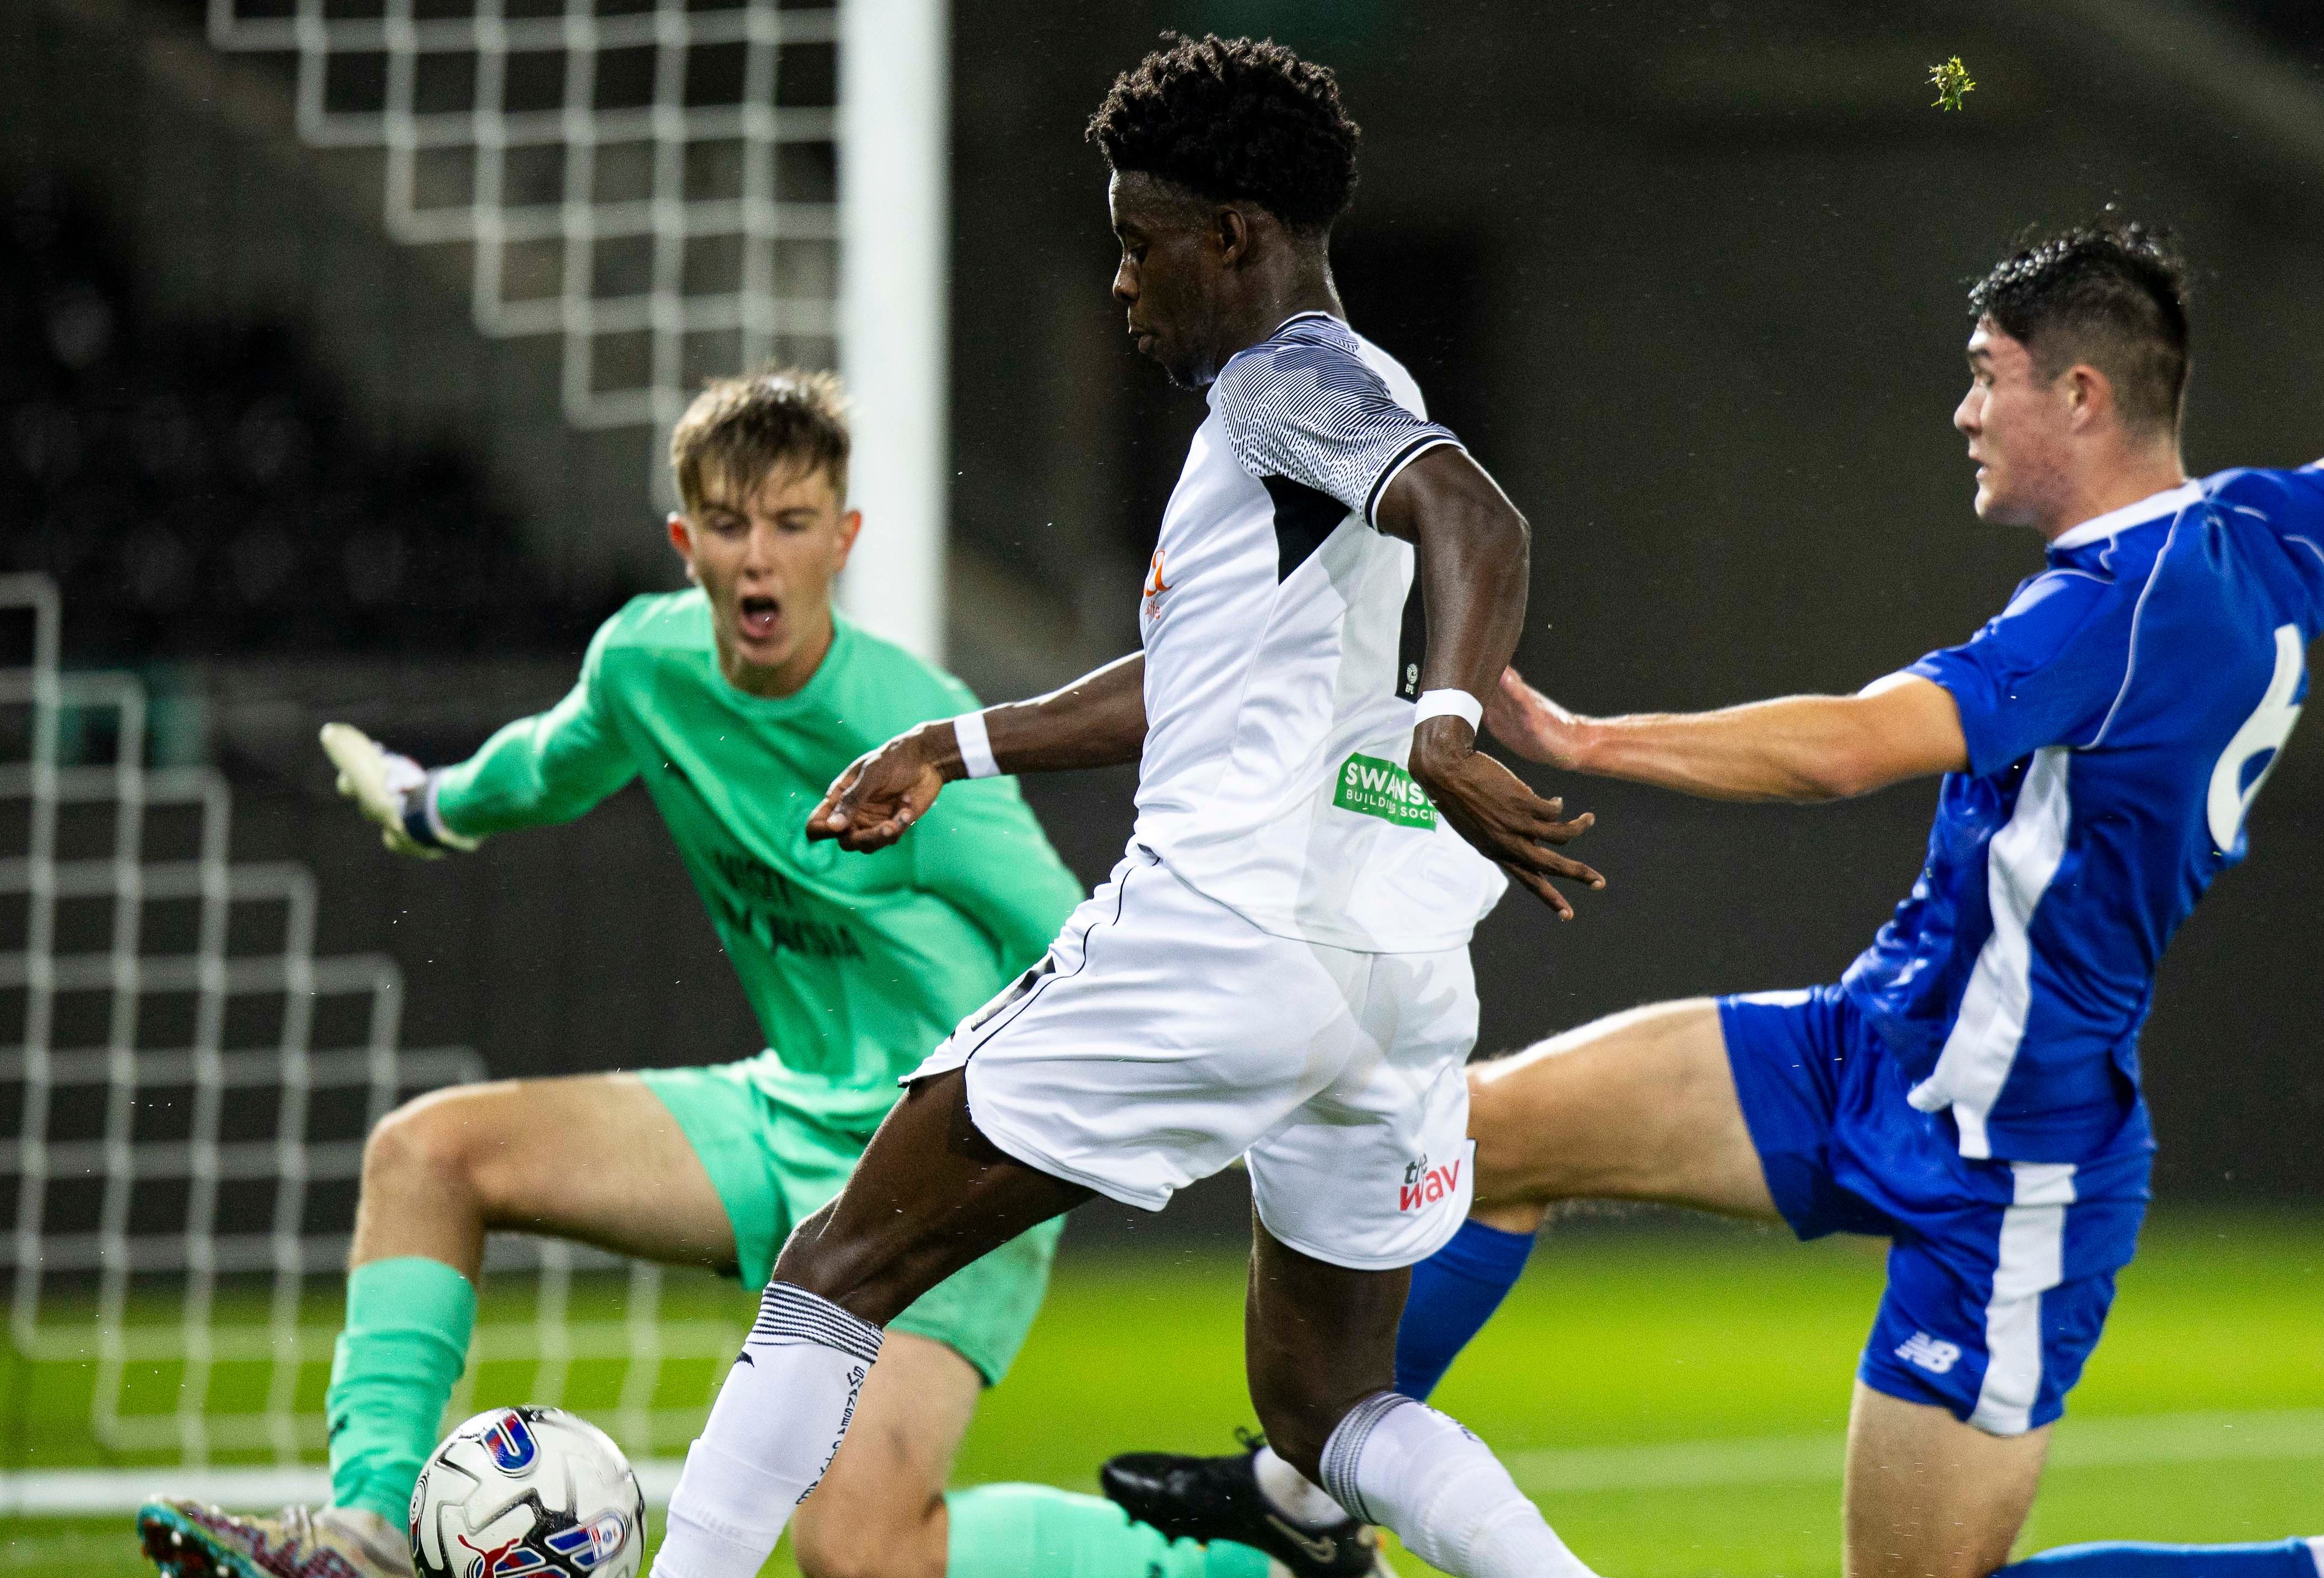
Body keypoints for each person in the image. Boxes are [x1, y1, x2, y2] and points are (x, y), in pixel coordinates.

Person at [1100, 213, 2324, 1578]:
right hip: (1868, 1047)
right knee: (1479, 1139)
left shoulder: (2115, 611)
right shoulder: (2272, 531)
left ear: (2079, 397)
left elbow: (1851, 745)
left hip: (2016, 1155)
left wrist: (1588, 740)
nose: (1964, 409)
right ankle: (1306, 1501)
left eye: (1987, 375)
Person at [642, 34, 1610, 1578]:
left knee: (839, 1260)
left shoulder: (1290, 378)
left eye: (1138, 245)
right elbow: (1197, 675)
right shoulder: (1338, 398)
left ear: (1233, 238)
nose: (1121, 283)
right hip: (1390, 973)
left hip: (1222, 939)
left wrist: (1446, 712)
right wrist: (955, 745)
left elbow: (1477, 516)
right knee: (1326, 1404)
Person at [139, 371, 1260, 1578]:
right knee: (428, 1155)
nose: (759, 559)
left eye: (790, 524)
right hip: (785, 1117)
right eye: (729, 525)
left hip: (942, 1159)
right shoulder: (647, 666)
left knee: (860, 1559)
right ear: (686, 540)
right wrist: (428, 807)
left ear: (845, 539)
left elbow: (1066, 930)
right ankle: (366, 1537)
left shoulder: (906, 725)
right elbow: (545, 767)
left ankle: (1226, 1563)